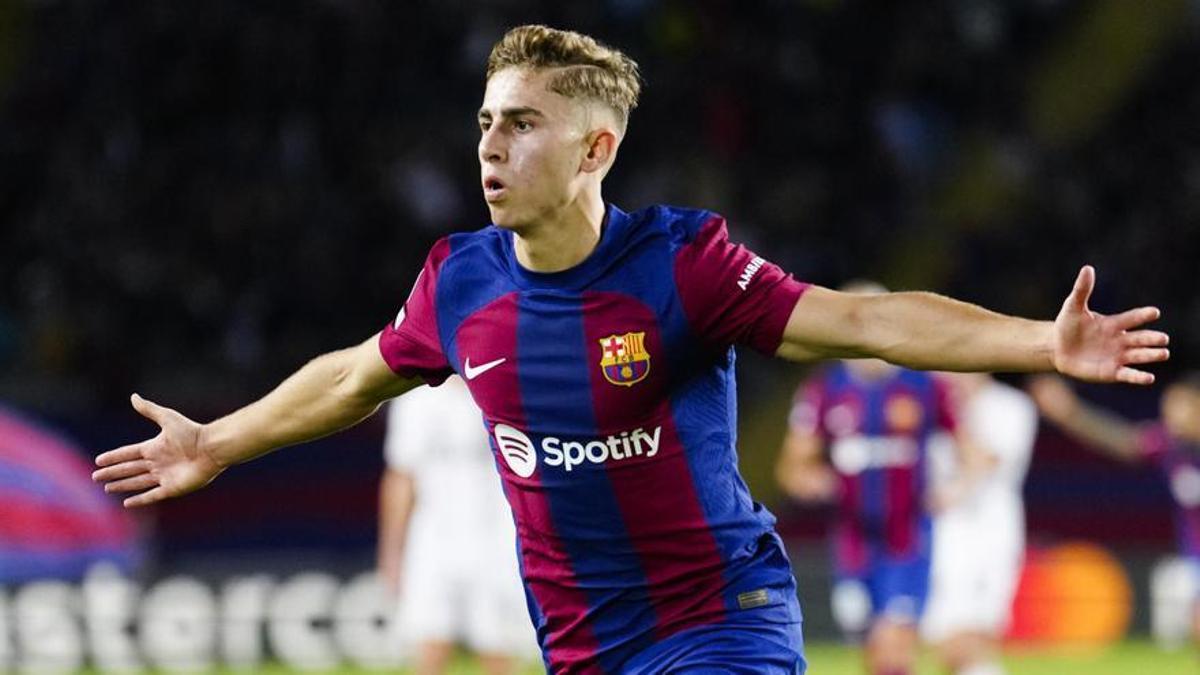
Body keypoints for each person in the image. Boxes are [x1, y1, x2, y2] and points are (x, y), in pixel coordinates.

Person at [92, 24, 1168, 675]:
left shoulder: (682, 267)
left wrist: (1037, 339)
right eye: (483, 123)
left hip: (719, 620)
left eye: (520, 123)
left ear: (596, 147)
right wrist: (220, 442)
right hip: (583, 644)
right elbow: (355, 375)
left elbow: (863, 319)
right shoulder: (460, 280)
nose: (490, 145)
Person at [775, 295, 962, 675]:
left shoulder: (922, 386)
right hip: (852, 540)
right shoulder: (825, 391)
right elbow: (792, 464)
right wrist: (808, 480)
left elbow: (968, 443)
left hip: (907, 535)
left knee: (895, 638)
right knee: (871, 643)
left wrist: (957, 484)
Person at [377, 376, 535, 675]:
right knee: (429, 648)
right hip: (432, 542)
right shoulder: (415, 400)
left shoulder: (500, 390)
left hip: (495, 542)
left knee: (498, 650)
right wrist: (392, 552)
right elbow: (400, 476)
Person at [1030, 373, 1200, 644]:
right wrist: (1069, 412)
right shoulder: (1170, 447)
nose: (1171, 415)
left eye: (1180, 407)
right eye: (1169, 406)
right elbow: (1124, 441)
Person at [921, 373, 1038, 675]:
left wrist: (957, 488)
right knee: (949, 636)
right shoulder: (928, 402)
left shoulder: (1012, 406)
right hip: (944, 532)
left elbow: (992, 460)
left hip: (994, 530)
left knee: (981, 631)